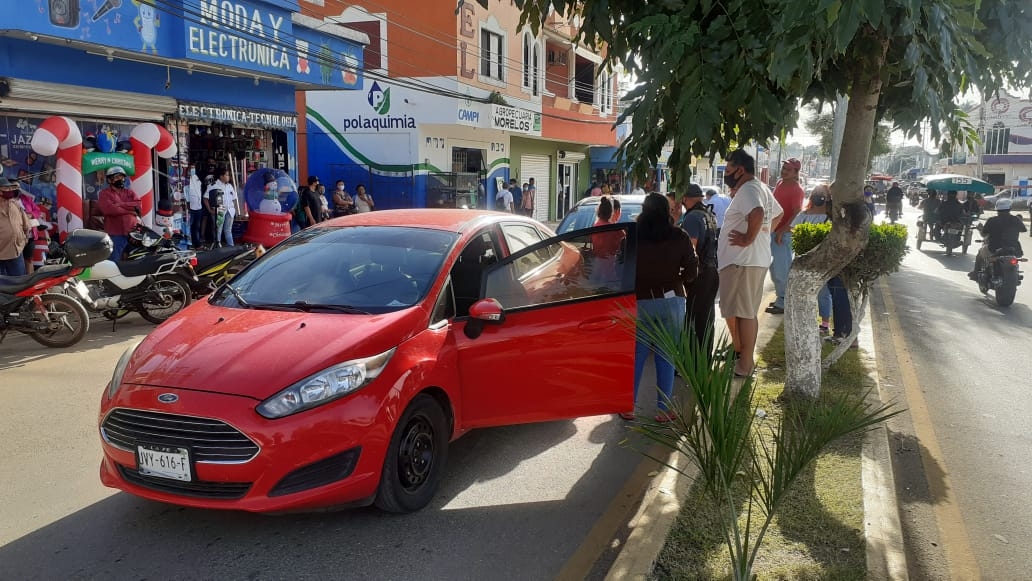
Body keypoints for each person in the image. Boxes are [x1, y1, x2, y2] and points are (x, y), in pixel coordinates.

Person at [623, 192, 698, 423]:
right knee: (666, 355)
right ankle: (664, 410)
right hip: (672, 301)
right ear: (667, 212)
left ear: (644, 211)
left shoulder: (631, 238)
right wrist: (678, 280)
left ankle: (628, 407)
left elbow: (621, 270)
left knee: (637, 355)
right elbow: (693, 269)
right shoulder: (679, 236)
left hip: (641, 303)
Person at [717, 149, 782, 377]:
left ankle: (745, 363)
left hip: (742, 262)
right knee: (741, 311)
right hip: (749, 260)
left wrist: (748, 238)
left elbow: (757, 212)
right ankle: (741, 355)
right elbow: (778, 214)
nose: (726, 175)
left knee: (743, 313)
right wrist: (762, 235)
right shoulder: (760, 187)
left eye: (728, 170)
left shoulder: (748, 189)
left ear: (740, 170)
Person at [680, 184, 719, 358]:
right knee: (706, 318)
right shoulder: (708, 214)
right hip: (712, 271)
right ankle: (704, 359)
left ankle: (693, 362)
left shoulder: (692, 218)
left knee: (694, 320)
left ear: (685, 198)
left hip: (700, 274)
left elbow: (691, 248)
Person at [790, 187, 833, 334]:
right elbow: (793, 228)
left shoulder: (831, 216)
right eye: (816, 195)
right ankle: (804, 320)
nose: (819, 197)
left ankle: (825, 323)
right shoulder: (804, 214)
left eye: (823, 195)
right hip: (803, 258)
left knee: (823, 292)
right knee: (802, 291)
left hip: (822, 260)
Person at [766, 158, 804, 314]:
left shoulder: (797, 189)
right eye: (784, 168)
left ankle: (784, 302)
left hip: (783, 234)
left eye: (788, 169)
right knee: (774, 270)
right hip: (774, 231)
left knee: (782, 270)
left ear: (795, 172)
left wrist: (783, 230)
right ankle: (780, 298)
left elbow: (796, 212)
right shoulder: (781, 184)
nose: (784, 171)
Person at [970, 198, 1026, 279]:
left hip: (994, 249)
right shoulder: (1015, 220)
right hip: (1013, 249)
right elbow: (1024, 230)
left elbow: (984, 234)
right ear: (1010, 208)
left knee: (980, 253)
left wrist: (980, 228)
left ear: (997, 209)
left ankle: (975, 274)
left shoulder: (992, 220)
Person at [97, 166, 140, 261]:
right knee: (113, 262)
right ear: (109, 180)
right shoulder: (104, 194)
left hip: (133, 233)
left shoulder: (130, 192)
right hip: (115, 234)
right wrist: (130, 209)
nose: (120, 179)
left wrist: (119, 204)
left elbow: (138, 206)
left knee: (138, 260)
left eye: (121, 177)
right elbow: (109, 209)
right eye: (116, 177)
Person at [0, 177, 31, 276]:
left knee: (20, 284)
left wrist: (24, 238)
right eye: (6, 188)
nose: (10, 191)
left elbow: (26, 225)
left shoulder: (16, 205)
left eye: (10, 188)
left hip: (16, 253)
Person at [590, 196, 625, 282]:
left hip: (595, 272)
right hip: (611, 275)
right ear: (615, 211)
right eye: (620, 211)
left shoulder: (594, 226)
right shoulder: (617, 231)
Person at [205, 167, 239, 246]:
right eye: (227, 175)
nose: (228, 177)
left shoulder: (229, 186)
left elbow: (234, 198)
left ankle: (231, 247)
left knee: (228, 230)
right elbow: (205, 198)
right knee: (218, 230)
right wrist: (209, 209)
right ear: (221, 176)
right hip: (220, 210)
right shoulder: (213, 185)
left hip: (230, 210)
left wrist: (235, 210)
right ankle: (218, 247)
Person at [186, 165, 205, 248]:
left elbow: (199, 189)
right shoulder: (186, 179)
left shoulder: (196, 177)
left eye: (193, 168)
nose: (192, 169)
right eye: (191, 168)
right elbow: (186, 194)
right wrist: (187, 207)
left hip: (198, 207)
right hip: (190, 207)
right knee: (189, 227)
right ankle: (188, 244)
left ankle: (197, 243)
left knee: (196, 227)